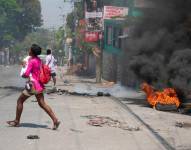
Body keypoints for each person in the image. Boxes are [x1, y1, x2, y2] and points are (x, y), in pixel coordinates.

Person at [7, 44, 60, 130]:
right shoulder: (39, 60)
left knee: (19, 101)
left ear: (32, 52)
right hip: (39, 85)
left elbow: (26, 74)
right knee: (42, 104)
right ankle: (55, 120)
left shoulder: (32, 61)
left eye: (30, 49)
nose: (29, 50)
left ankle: (16, 121)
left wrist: (23, 72)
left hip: (32, 85)